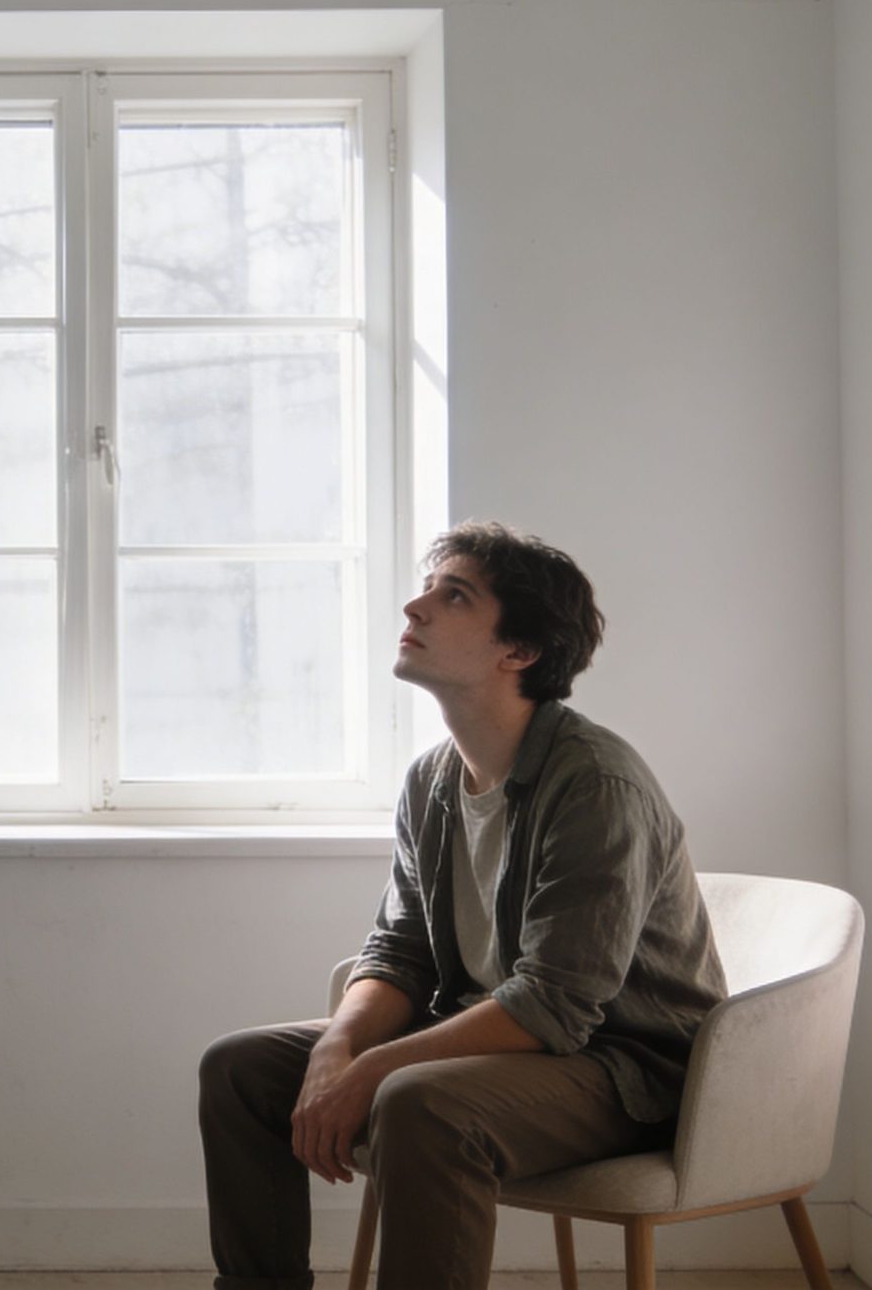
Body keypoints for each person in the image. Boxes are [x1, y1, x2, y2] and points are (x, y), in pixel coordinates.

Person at [198, 520, 728, 1290]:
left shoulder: (595, 786)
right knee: (241, 1068)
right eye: (427, 587)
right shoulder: (433, 780)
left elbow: (554, 1007)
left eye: (454, 596)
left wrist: (373, 1066)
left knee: (422, 1102)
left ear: (519, 651)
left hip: (622, 1068)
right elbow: (400, 951)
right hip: (492, 1039)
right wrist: (335, 1050)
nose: (415, 607)